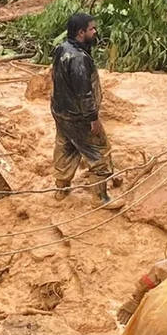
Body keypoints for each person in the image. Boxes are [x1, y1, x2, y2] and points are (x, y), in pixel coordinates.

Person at [50, 12, 121, 207]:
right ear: (81, 32)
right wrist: (93, 118)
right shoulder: (79, 59)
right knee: (99, 151)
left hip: (61, 111)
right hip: (79, 115)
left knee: (66, 146)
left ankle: (61, 189)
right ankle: (100, 197)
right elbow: (84, 93)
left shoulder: (61, 48)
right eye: (92, 29)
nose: (95, 32)